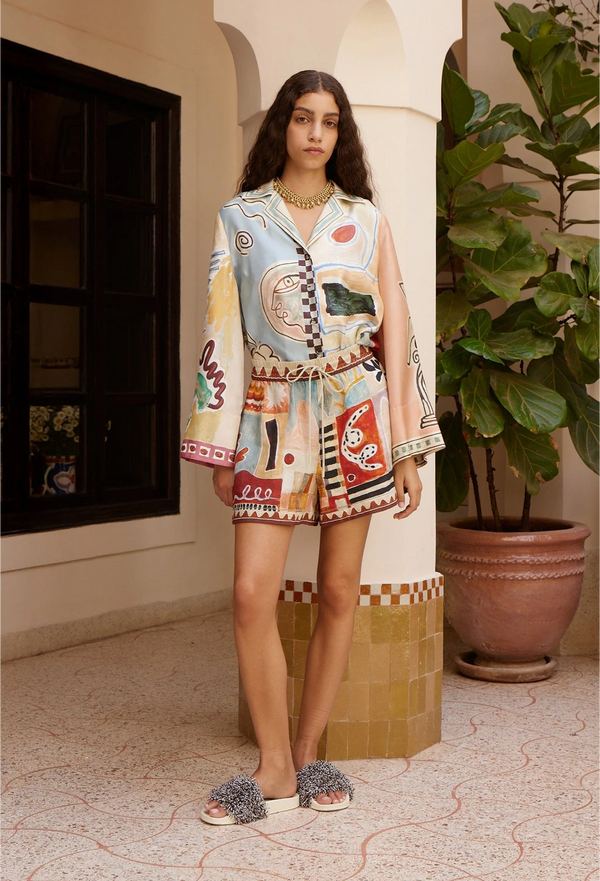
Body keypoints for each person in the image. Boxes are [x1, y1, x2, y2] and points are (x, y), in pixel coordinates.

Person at [181, 70, 444, 825]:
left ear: (341, 134)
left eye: (330, 121)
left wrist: (405, 447)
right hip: (269, 414)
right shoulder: (241, 219)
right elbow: (222, 331)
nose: (316, 134)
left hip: (356, 411)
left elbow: (398, 335)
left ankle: (305, 753)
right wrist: (221, 444)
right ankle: (271, 768)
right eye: (303, 118)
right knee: (250, 592)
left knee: (337, 590)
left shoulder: (367, 221)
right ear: (283, 126)